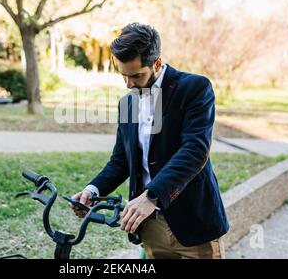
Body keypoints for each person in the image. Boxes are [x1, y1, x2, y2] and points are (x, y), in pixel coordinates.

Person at [70, 23, 229, 259]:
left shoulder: (195, 88)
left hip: (194, 223)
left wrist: (151, 196)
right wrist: (93, 189)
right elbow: (121, 161)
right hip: (149, 227)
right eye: (123, 76)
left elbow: (195, 151)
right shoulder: (127, 103)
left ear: (157, 63)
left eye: (136, 76)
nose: (128, 84)